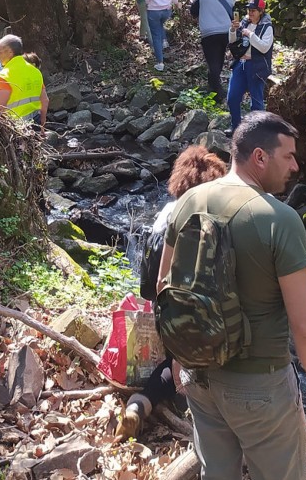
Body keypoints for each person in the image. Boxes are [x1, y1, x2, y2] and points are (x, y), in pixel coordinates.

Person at [157, 112, 306, 480]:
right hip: (260, 385)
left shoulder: (189, 200)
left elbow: (165, 288)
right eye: (288, 156)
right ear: (259, 156)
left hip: (199, 377)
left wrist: (177, 357)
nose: (295, 166)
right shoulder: (279, 219)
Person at [114, 145, 227, 442]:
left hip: (156, 305)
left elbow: (151, 275)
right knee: (192, 363)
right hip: (181, 310)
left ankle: (139, 405)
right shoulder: (200, 222)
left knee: (171, 362)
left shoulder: (166, 212)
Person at [227, 0, 274, 131]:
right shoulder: (244, 22)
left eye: (253, 10)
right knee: (232, 97)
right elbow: (233, 41)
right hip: (240, 64)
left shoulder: (267, 27)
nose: (250, 13)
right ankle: (235, 125)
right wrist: (232, 30)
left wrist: (250, 34)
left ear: (261, 11)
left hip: (256, 66)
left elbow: (264, 47)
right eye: (249, 10)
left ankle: (258, 131)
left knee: (257, 101)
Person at [189, 0, 234, 100]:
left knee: (212, 61)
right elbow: (232, 15)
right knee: (219, 58)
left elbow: (193, 12)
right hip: (226, 32)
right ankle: (213, 84)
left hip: (209, 33)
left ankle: (216, 90)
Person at [0, 34, 49, 131]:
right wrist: (42, 126)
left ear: (10, 52)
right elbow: (45, 100)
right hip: (36, 123)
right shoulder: (35, 71)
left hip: (16, 128)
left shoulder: (4, 76)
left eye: (0, 52)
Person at [145, 0, 180, 72]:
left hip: (153, 11)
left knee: (155, 36)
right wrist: (177, 4)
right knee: (160, 25)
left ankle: (160, 63)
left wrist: (146, 3)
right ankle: (164, 40)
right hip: (166, 11)